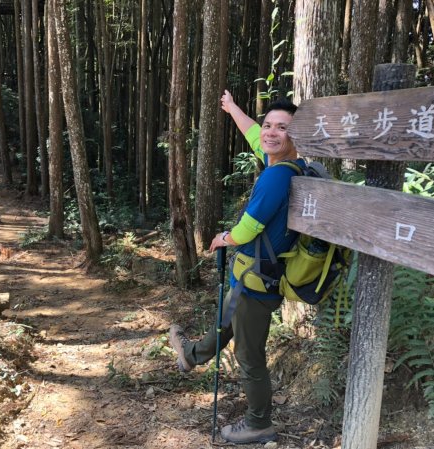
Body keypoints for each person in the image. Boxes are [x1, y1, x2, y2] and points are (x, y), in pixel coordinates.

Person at [169, 90, 305, 444]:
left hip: (259, 284)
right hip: (252, 278)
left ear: (297, 136)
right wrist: (232, 108)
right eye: (269, 125)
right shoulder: (283, 164)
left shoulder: (278, 176)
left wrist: (223, 238)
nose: (271, 132)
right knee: (227, 323)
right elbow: (252, 134)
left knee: (249, 357)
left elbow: (250, 226)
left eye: (282, 128)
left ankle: (259, 423)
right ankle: (191, 355)